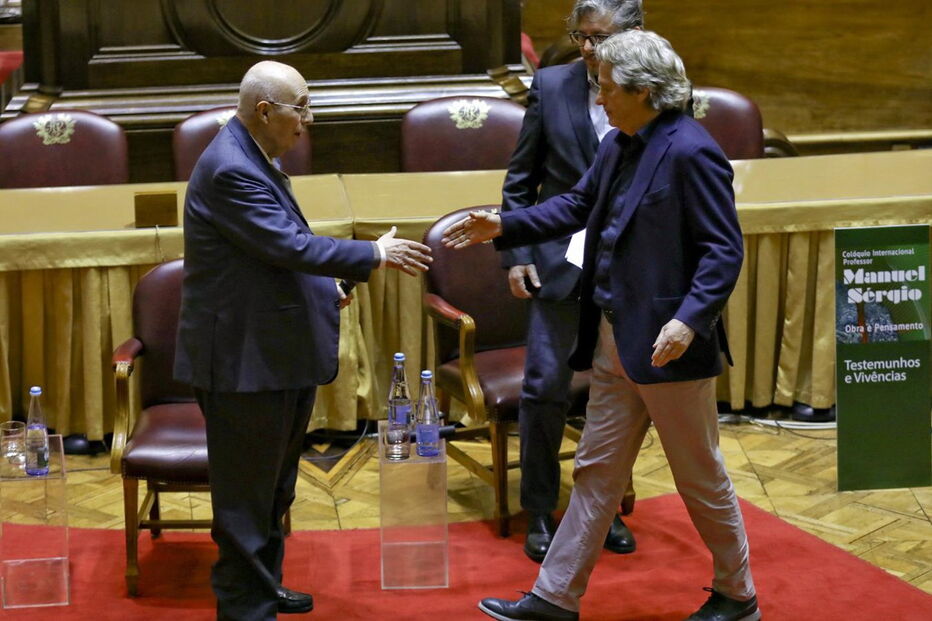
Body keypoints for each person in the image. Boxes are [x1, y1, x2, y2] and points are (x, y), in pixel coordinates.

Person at [443, 30, 759, 621]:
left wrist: (689, 322)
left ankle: (738, 593)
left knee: (699, 476)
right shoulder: (620, 141)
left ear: (645, 91)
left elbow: (723, 251)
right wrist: (506, 225)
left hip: (667, 349)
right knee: (595, 471)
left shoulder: (692, 150)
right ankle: (555, 597)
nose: (601, 98)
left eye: (609, 88)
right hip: (614, 339)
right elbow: (575, 206)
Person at [174, 60, 431, 620]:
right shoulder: (230, 169)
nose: (307, 121)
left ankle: (263, 587)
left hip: (271, 353)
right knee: (245, 502)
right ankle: (246, 609)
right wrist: (374, 254)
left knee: (274, 492)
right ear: (265, 111)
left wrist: (329, 285)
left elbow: (269, 256)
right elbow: (291, 247)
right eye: (301, 108)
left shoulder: (252, 154)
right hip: (243, 363)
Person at [501, 0, 642, 564]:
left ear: (633, 37)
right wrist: (515, 254)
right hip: (559, 263)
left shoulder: (654, 86)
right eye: (582, 37)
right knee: (543, 391)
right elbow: (522, 181)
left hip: (627, 265)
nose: (589, 49)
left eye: (601, 38)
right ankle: (538, 509)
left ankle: (600, 510)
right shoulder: (552, 84)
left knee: (620, 396)